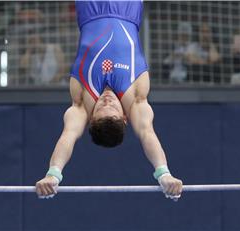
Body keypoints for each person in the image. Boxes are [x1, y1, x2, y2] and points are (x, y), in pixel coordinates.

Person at [35, 0, 183, 200]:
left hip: (91, 10)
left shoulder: (80, 100)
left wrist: (53, 174)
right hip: (127, 10)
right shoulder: (137, 96)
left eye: (99, 107)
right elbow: (147, 133)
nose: (106, 100)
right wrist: (164, 173)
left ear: (90, 118)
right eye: (112, 106)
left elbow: (68, 135)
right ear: (124, 117)